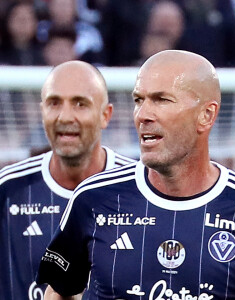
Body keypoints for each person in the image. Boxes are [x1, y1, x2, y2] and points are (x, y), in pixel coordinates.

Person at [37, 50, 235, 299]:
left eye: (161, 100)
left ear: (206, 116)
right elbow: (59, 289)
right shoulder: (92, 199)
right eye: (139, 100)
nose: (142, 115)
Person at [0, 60, 135, 300]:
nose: (65, 116)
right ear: (42, 112)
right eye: (54, 103)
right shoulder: (8, 190)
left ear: (105, 115)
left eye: (80, 104)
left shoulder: (137, 189)